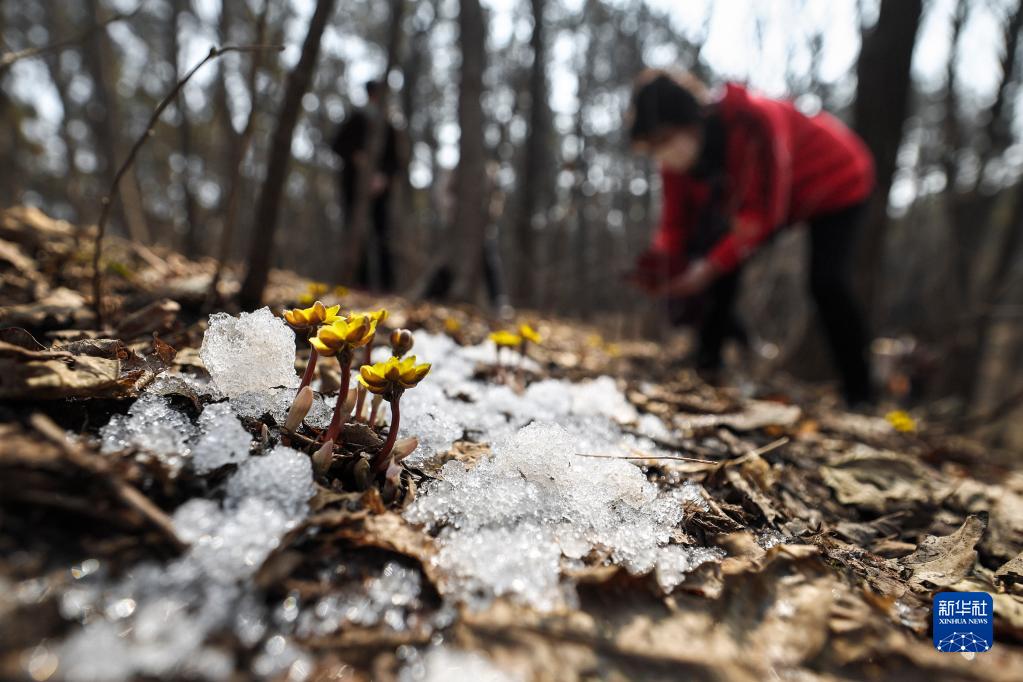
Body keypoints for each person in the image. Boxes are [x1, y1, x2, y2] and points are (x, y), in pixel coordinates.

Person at [626, 69, 875, 406]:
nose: (663, 153)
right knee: (715, 258)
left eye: (665, 140)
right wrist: (665, 263)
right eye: (653, 147)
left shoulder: (755, 121)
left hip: (838, 179)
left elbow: (762, 217)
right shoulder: (676, 163)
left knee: (826, 281)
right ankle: (707, 365)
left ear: (690, 122)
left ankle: (861, 392)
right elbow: (675, 225)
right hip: (771, 201)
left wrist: (705, 270)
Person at [331, 80, 403, 291]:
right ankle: (358, 282)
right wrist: (355, 156)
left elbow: (396, 161)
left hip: (380, 190)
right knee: (355, 233)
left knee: (382, 235)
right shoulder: (356, 119)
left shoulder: (389, 125)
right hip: (353, 187)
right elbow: (336, 145)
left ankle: (387, 286)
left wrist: (383, 178)